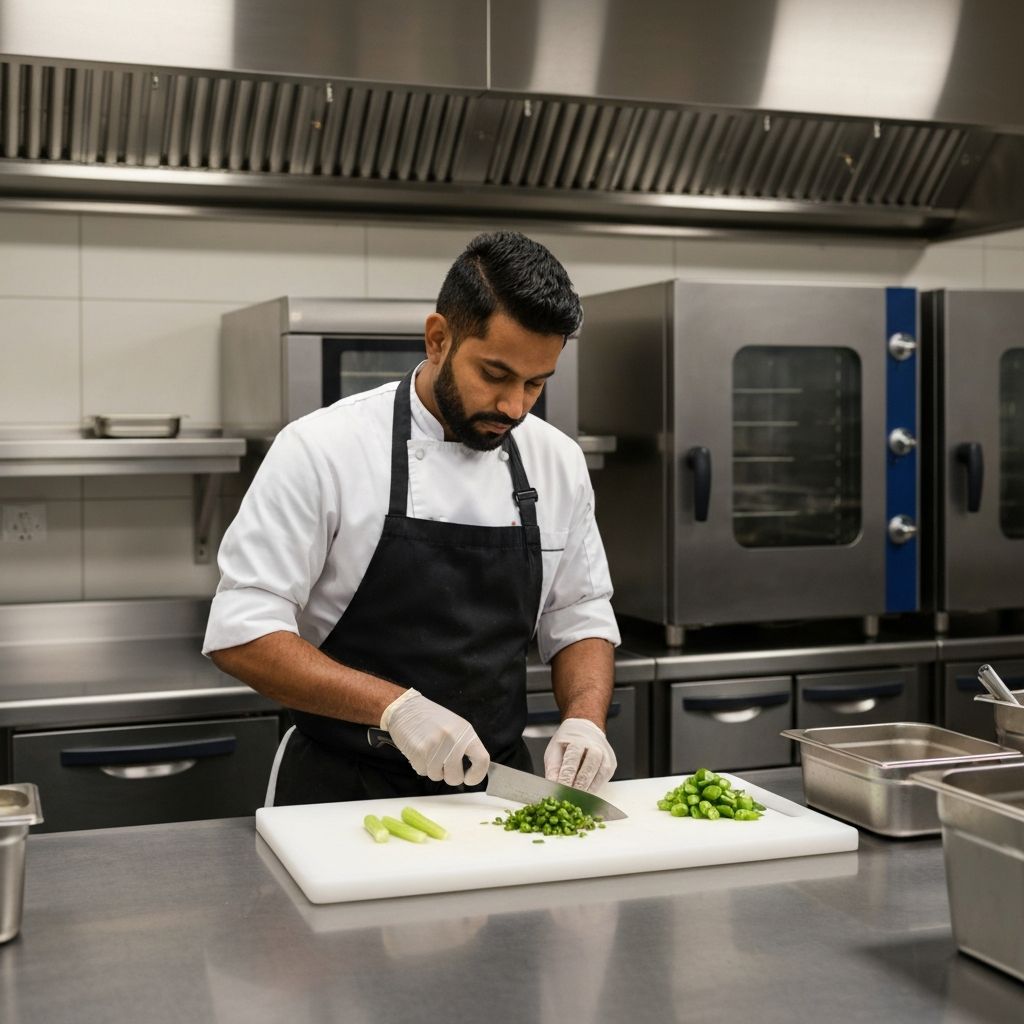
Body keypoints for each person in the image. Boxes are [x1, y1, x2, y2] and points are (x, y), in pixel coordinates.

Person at [203, 231, 621, 806]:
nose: (515, 406)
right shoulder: (323, 447)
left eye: (536, 383)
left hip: (494, 797)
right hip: (341, 795)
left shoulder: (558, 462)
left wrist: (584, 720)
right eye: (495, 375)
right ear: (438, 338)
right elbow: (241, 634)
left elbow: (580, 615)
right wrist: (395, 708)